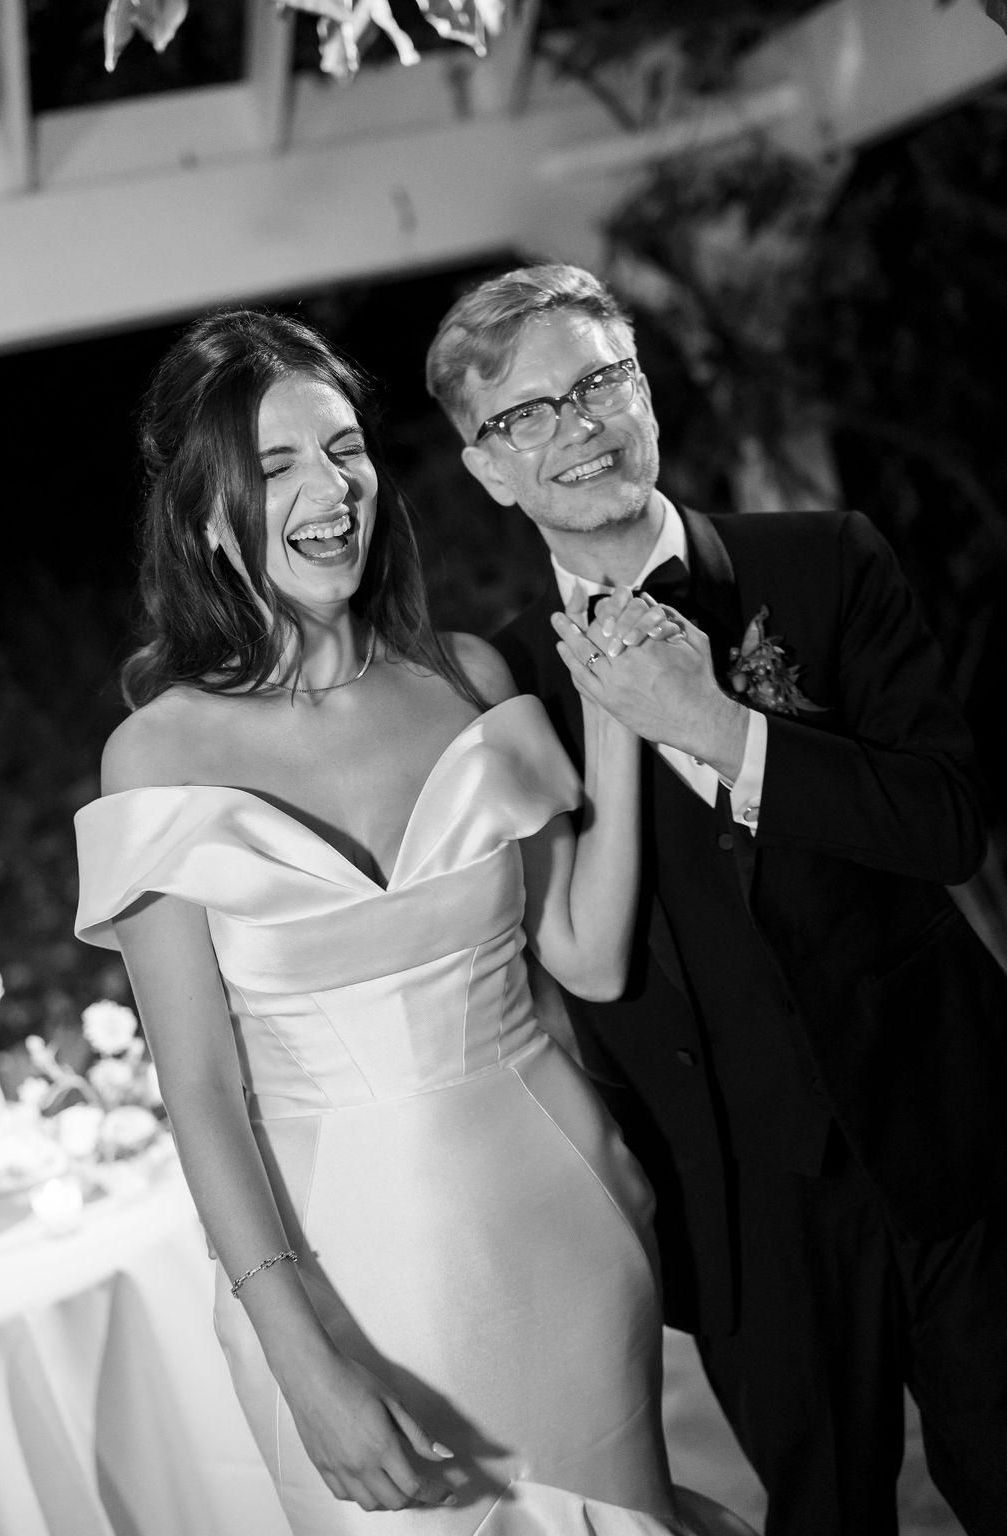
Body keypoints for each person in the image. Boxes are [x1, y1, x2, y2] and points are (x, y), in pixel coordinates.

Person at [73, 309, 755, 1536]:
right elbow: (201, 1094)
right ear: (208, 513)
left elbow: (586, 957)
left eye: (344, 449)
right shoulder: (157, 757)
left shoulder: (465, 682)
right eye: (276, 464)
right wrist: (299, 1358)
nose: (330, 489)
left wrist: (614, 719)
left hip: (565, 1222)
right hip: (345, 1280)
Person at [425, 262, 1007, 1536]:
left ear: (644, 391)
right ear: (488, 469)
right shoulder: (505, 689)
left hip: (953, 1142)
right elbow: (565, 961)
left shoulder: (828, 562)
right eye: (527, 414)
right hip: (743, 1212)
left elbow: (946, 824)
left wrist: (722, 731)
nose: (580, 427)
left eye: (600, 383)